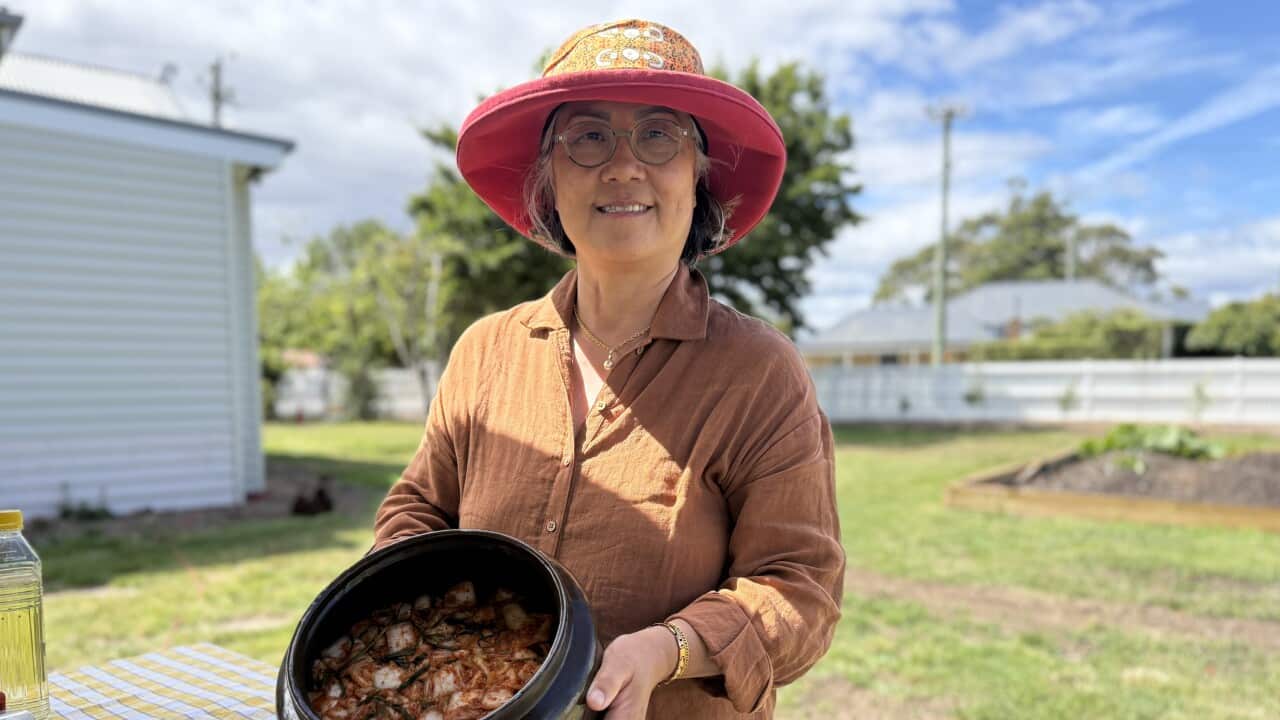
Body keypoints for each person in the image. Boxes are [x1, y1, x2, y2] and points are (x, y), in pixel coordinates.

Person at [373, 18, 845, 719]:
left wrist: (669, 648)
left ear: (698, 177)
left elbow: (799, 589)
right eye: (588, 136)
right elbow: (417, 512)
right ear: (550, 179)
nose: (624, 166)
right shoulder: (485, 351)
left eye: (659, 135)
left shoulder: (759, 372)